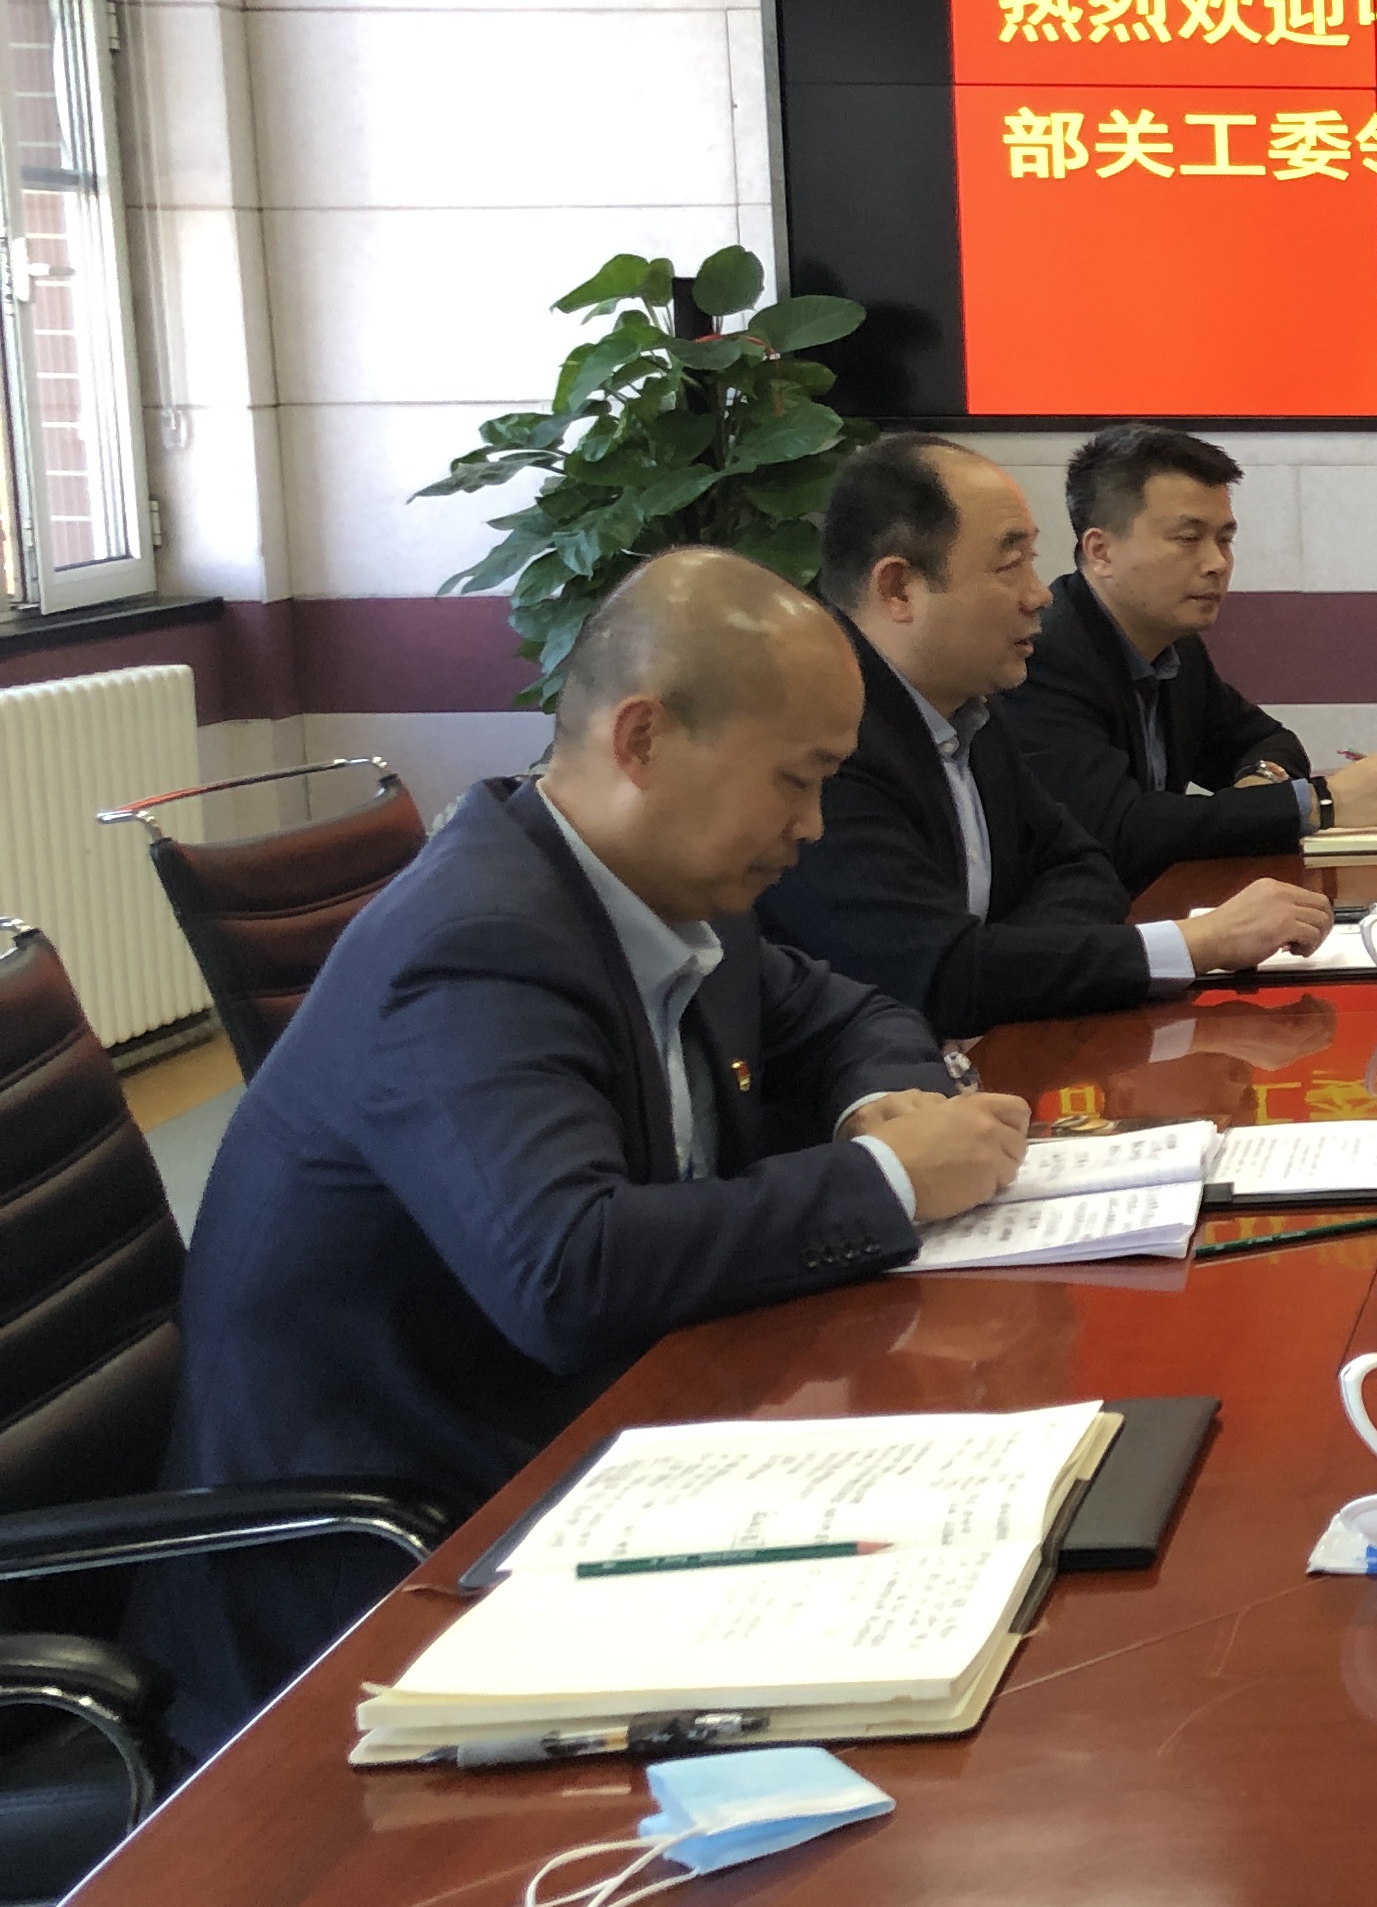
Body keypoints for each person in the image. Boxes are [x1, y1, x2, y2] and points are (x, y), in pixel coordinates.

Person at [136, 550, 1036, 1754]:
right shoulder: (476, 945)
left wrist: (879, 1110)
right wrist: (888, 1182)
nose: (814, 827)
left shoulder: (668, 889)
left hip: (574, 1462)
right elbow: (568, 1271)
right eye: (796, 779)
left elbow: (854, 1015)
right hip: (378, 1573)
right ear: (644, 739)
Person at [757, 433, 1334, 1034]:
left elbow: (1085, 865)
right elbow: (936, 975)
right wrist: (1195, 944)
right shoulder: (825, 743)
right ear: (899, 589)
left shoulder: (970, 712)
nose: (1038, 595)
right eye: (1011, 566)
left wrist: (1003, 958)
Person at [999, 421, 1377, 884]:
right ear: (1100, 551)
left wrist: (1264, 784)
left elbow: (1268, 741)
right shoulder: (1044, 655)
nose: (1217, 563)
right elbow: (1117, 829)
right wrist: (1320, 803)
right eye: (1189, 539)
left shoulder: (1174, 646)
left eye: (1224, 539)